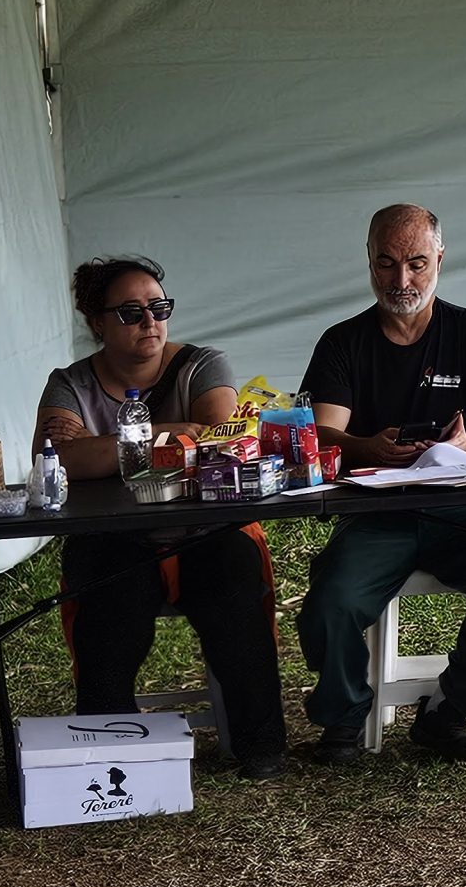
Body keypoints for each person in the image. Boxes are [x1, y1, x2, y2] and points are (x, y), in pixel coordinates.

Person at [295, 204, 466, 766]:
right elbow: (323, 431)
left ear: (439, 258)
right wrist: (367, 447)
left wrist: (465, 444)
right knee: (332, 600)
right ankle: (343, 714)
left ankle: (450, 709)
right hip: (377, 512)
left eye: (416, 263)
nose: (401, 280)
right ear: (369, 261)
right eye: (386, 264)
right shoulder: (343, 342)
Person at [34, 256, 288, 778]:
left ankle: (261, 746)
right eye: (131, 313)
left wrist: (105, 449)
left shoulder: (202, 365)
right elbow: (57, 460)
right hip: (114, 536)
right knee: (107, 618)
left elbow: (216, 441)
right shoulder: (70, 383)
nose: (150, 321)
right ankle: (111, 752)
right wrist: (157, 433)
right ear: (97, 322)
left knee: (235, 597)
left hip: (207, 528)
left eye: (159, 308)